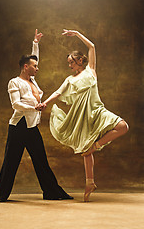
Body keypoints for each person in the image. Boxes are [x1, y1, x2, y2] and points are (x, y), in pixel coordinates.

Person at [39, 29, 129, 202]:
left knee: (122, 126)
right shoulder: (70, 80)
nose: (70, 66)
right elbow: (58, 92)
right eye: (69, 64)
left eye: (71, 63)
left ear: (80, 60)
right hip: (83, 116)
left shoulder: (90, 70)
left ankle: (95, 146)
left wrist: (77, 33)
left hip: (97, 111)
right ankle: (90, 183)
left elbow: (92, 46)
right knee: (85, 150)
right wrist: (45, 103)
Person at [0, 29, 73, 202]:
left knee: (41, 160)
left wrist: (35, 43)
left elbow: (34, 58)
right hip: (18, 127)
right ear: (25, 67)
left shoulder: (32, 80)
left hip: (31, 127)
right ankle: (1, 194)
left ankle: (52, 192)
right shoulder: (14, 82)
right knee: (11, 161)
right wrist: (34, 108)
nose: (37, 68)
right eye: (34, 66)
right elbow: (15, 105)